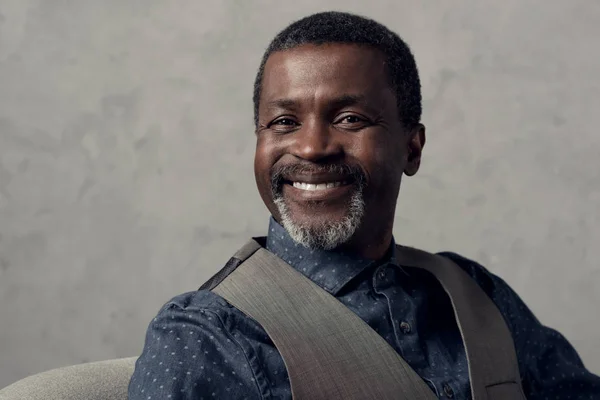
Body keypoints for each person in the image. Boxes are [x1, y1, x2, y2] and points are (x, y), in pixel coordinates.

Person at [129, 11, 600, 399]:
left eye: (349, 118)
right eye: (284, 121)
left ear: (411, 149)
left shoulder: (473, 294)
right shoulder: (204, 335)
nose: (312, 148)